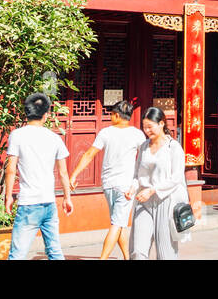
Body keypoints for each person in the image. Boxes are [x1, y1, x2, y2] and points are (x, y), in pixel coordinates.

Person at [68, 100, 145, 260]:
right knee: (118, 224)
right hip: (125, 186)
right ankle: (103, 258)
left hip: (108, 185)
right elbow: (144, 160)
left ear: (116, 115)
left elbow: (89, 154)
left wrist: (74, 174)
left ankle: (127, 257)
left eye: (111, 114)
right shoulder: (137, 134)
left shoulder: (106, 132)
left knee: (119, 223)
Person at [5, 91, 74, 260]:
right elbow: (63, 172)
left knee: (17, 254)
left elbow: (11, 169)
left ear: (27, 113)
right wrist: (67, 197)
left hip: (28, 203)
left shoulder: (17, 135)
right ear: (46, 115)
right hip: (49, 202)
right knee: (55, 252)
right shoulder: (54, 138)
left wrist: (8, 197)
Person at [126, 106, 191, 260]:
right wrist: (133, 187)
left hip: (166, 201)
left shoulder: (173, 147)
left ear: (162, 123)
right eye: (144, 127)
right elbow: (137, 174)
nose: (147, 131)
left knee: (165, 252)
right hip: (144, 201)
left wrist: (154, 190)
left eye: (150, 127)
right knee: (137, 250)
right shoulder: (143, 147)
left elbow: (176, 178)